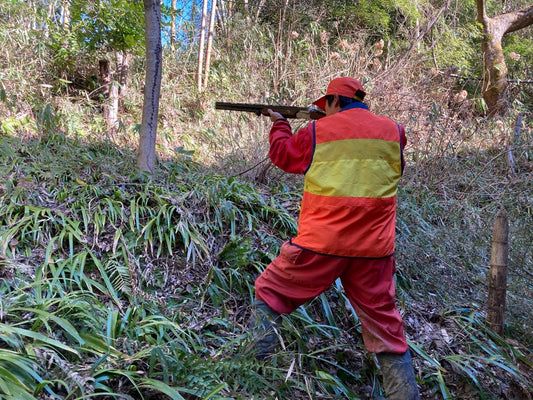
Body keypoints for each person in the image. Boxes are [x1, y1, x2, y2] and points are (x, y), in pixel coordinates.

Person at [250, 77, 419, 399]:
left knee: (269, 292)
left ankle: (246, 373)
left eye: (323, 105)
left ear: (333, 101)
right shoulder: (395, 131)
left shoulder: (316, 132)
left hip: (321, 244)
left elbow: (284, 157)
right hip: (375, 250)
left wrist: (279, 124)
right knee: (386, 328)